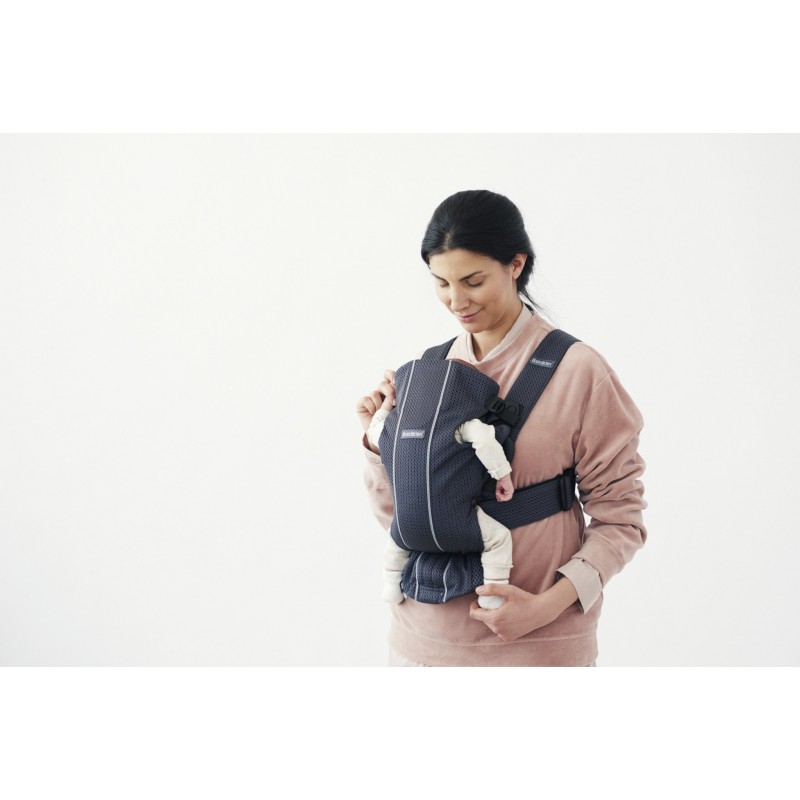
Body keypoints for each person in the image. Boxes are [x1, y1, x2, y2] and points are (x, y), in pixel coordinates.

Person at [355, 189, 647, 667]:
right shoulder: (427, 374)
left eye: (473, 281)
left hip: (539, 647)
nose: (456, 301)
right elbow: (401, 518)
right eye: (441, 283)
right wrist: (377, 442)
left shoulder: (578, 371)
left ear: (516, 264)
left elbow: (621, 519)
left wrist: (545, 608)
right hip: (420, 644)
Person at [365, 369, 515, 609]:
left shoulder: (393, 425)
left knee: (395, 542)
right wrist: (502, 476)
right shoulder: (462, 423)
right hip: (456, 522)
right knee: (498, 540)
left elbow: (373, 429)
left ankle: (391, 585)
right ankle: (492, 594)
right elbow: (486, 442)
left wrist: (386, 406)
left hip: (406, 528)